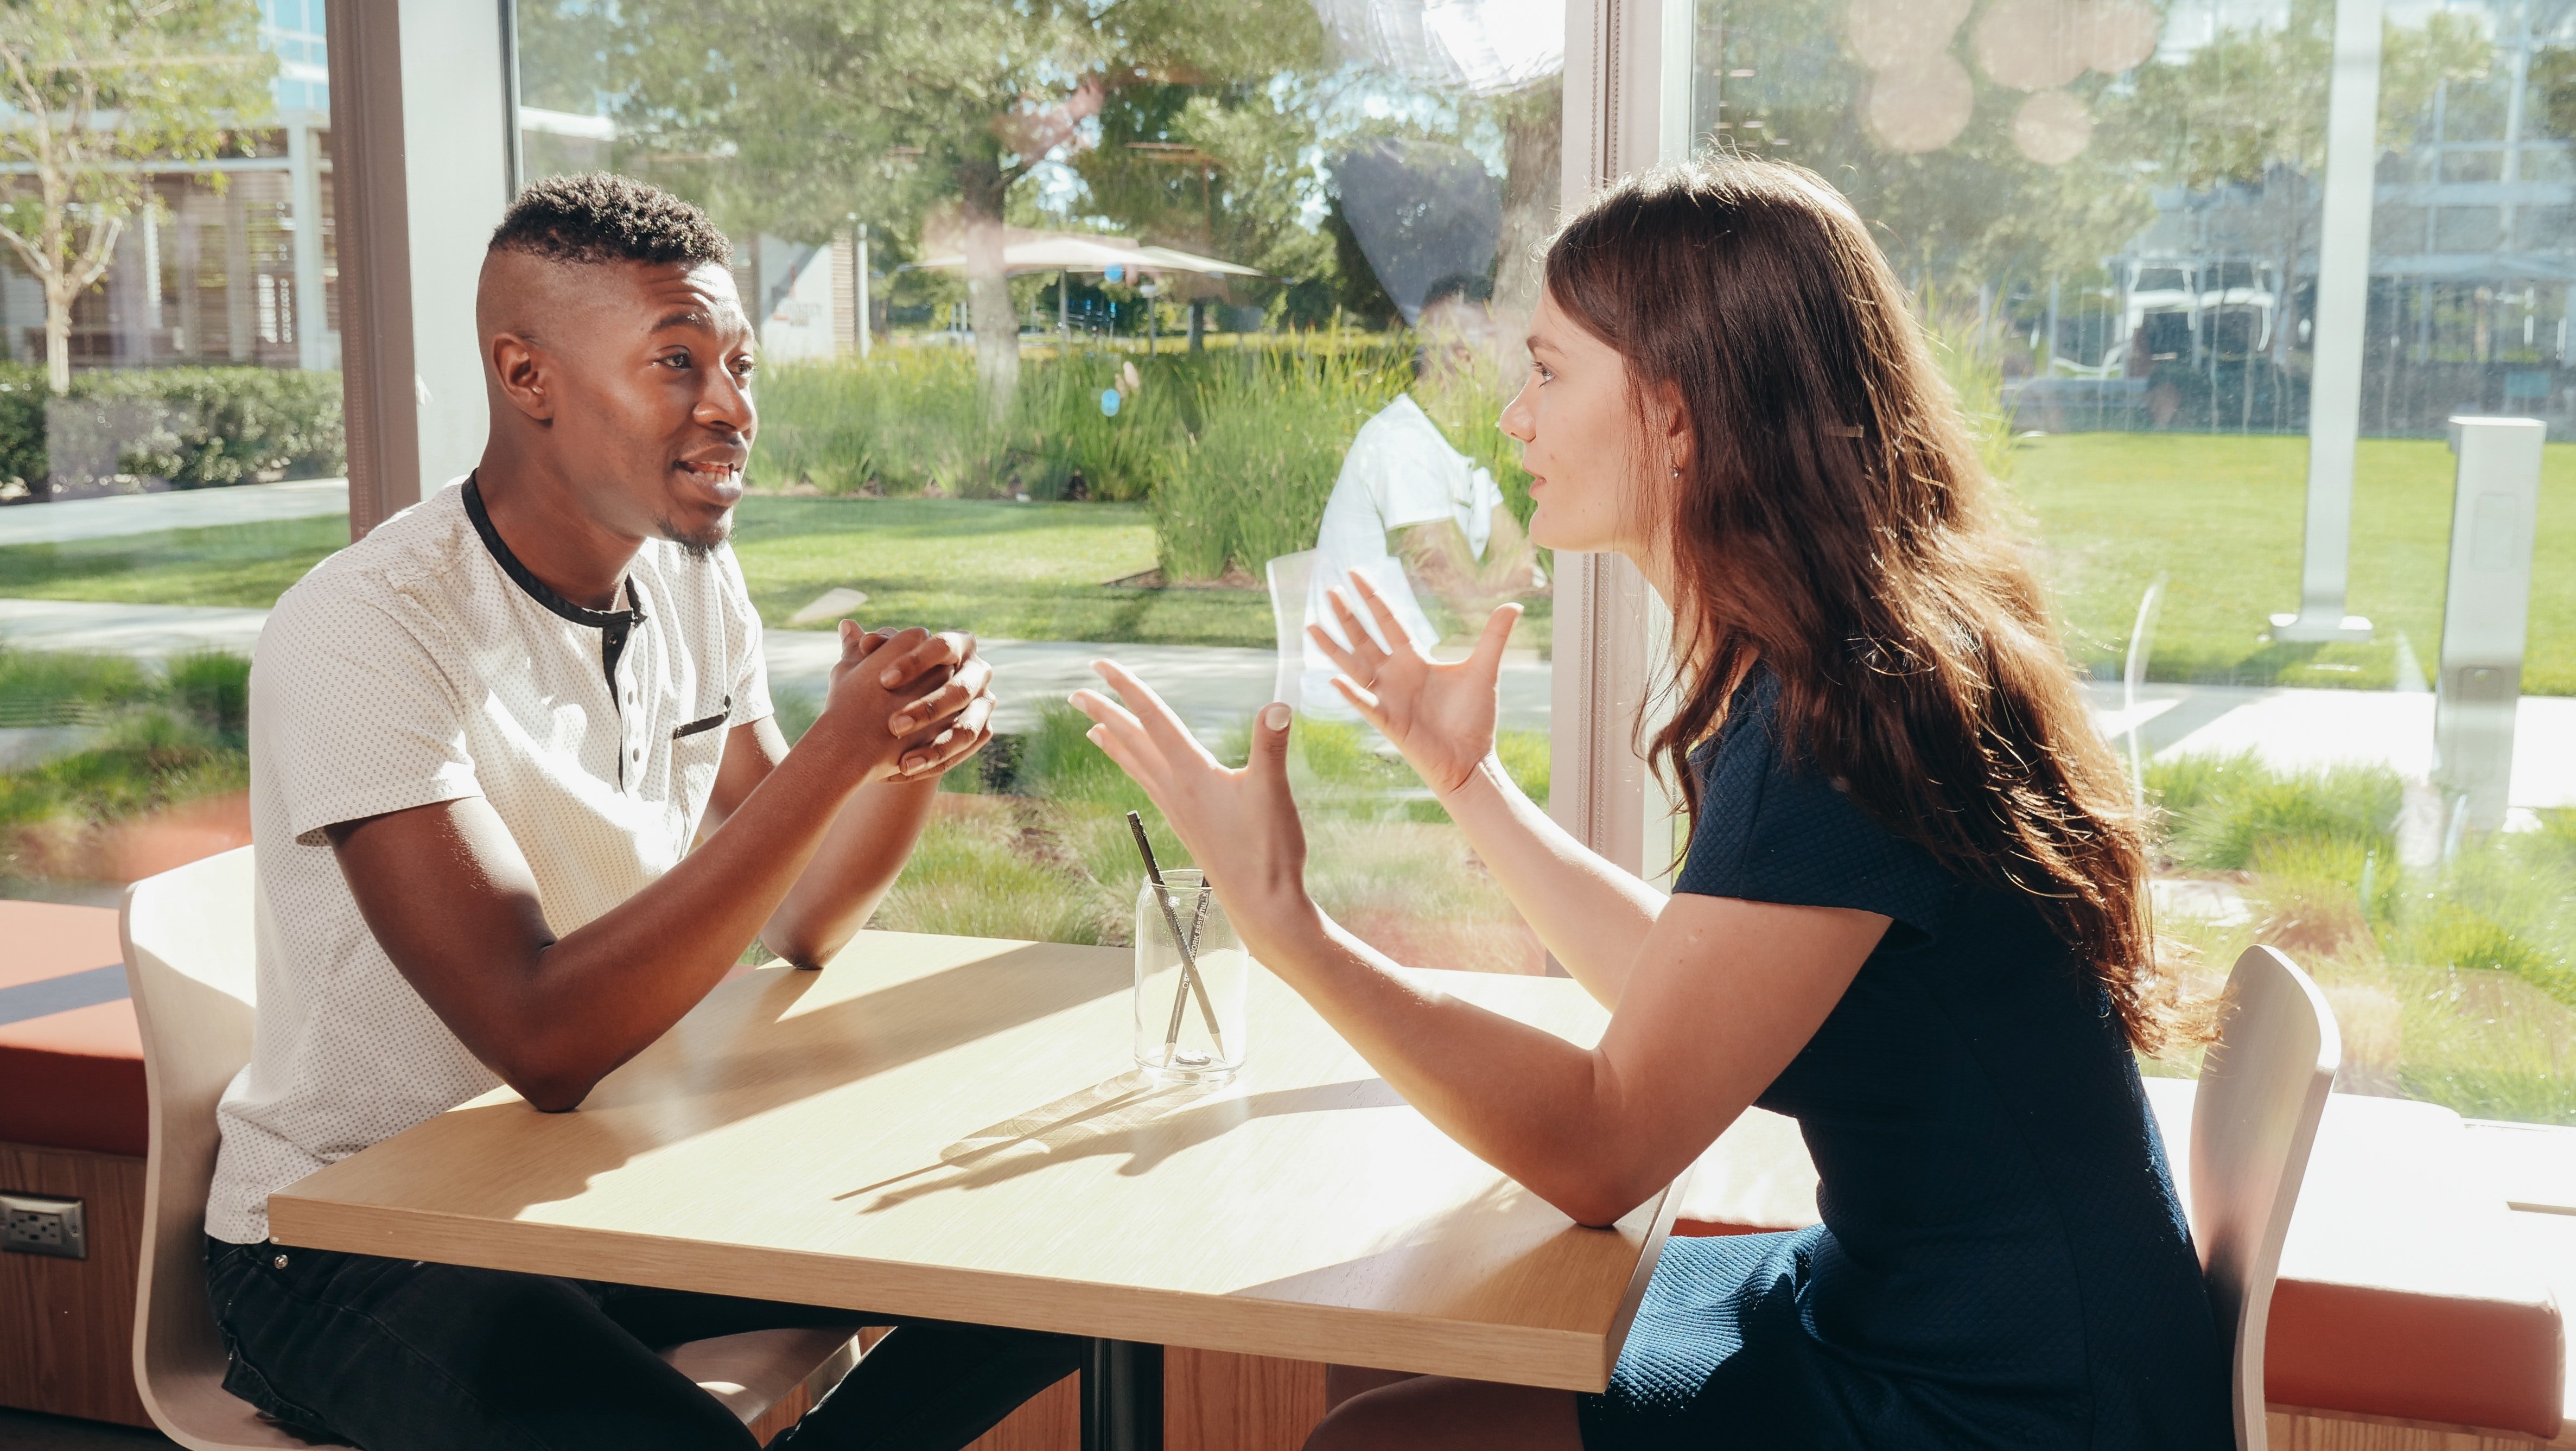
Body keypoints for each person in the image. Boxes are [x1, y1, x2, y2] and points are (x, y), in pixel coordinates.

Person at [1073, 157, 2231, 1450]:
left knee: (1372, 1440)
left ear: (1679, 416)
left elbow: (1603, 1146)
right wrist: (1471, 784)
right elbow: (1693, 995)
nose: (1515, 418)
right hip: (1918, 1316)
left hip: (2007, 1405)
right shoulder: (1840, 663)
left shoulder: (1839, 721)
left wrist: (1288, 925)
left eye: (1550, 370)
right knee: (1383, 1373)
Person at [203, 174, 1082, 1450]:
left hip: (598, 1187)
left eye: (738, 363)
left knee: (1041, 1260)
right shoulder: (367, 628)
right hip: (354, 1246)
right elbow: (542, 1038)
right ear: (528, 376)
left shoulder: (690, 582)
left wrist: (895, 760)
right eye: (678, 363)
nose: (732, 409)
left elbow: (802, 917)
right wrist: (827, 764)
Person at [1296, 273, 1543, 716]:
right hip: (1364, 705)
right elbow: (1462, 600)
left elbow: (1522, 562)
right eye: (1516, 354)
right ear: (1467, 359)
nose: (1525, 373)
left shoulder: (1463, 450)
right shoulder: (1403, 445)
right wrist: (1539, 664)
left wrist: (1484, 589)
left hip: (1418, 682)